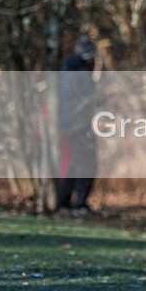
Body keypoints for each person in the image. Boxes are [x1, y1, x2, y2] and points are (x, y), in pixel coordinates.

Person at [57, 34, 100, 216]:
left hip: (68, 123)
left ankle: (65, 201)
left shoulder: (67, 69)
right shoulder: (80, 71)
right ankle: (79, 204)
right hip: (79, 124)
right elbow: (88, 97)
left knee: (76, 163)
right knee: (88, 164)